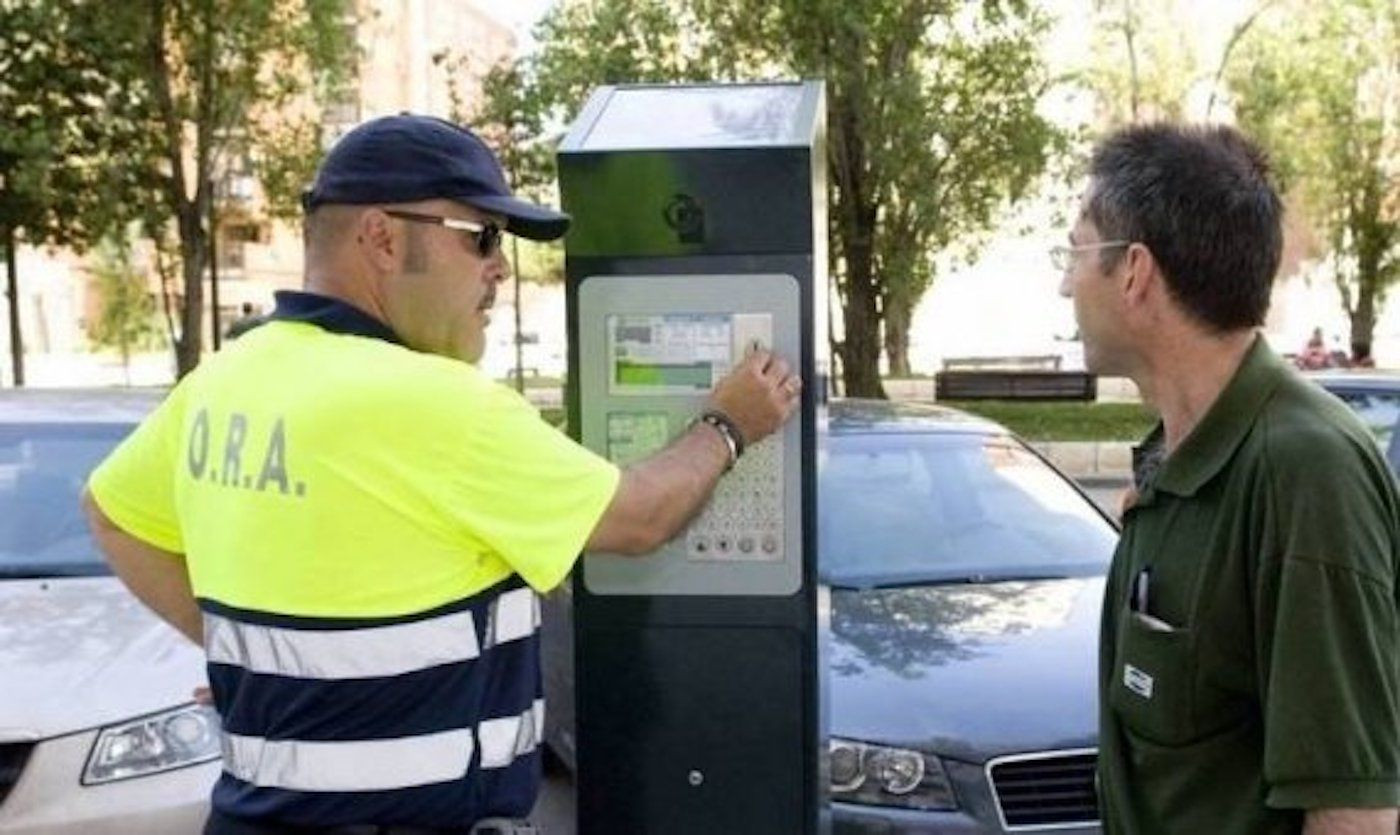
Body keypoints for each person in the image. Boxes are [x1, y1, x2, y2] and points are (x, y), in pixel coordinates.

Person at [81, 114, 801, 834]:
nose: (500, 267)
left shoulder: (225, 380)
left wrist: (263, 672)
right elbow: (641, 515)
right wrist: (728, 424)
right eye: (481, 236)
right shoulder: (436, 403)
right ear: (383, 237)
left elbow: (110, 513)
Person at [1056, 123, 1400, 834]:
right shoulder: (1175, 461)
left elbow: (1353, 816)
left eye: (1076, 251)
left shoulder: (1305, 472)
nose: (1065, 282)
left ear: (1134, 272)